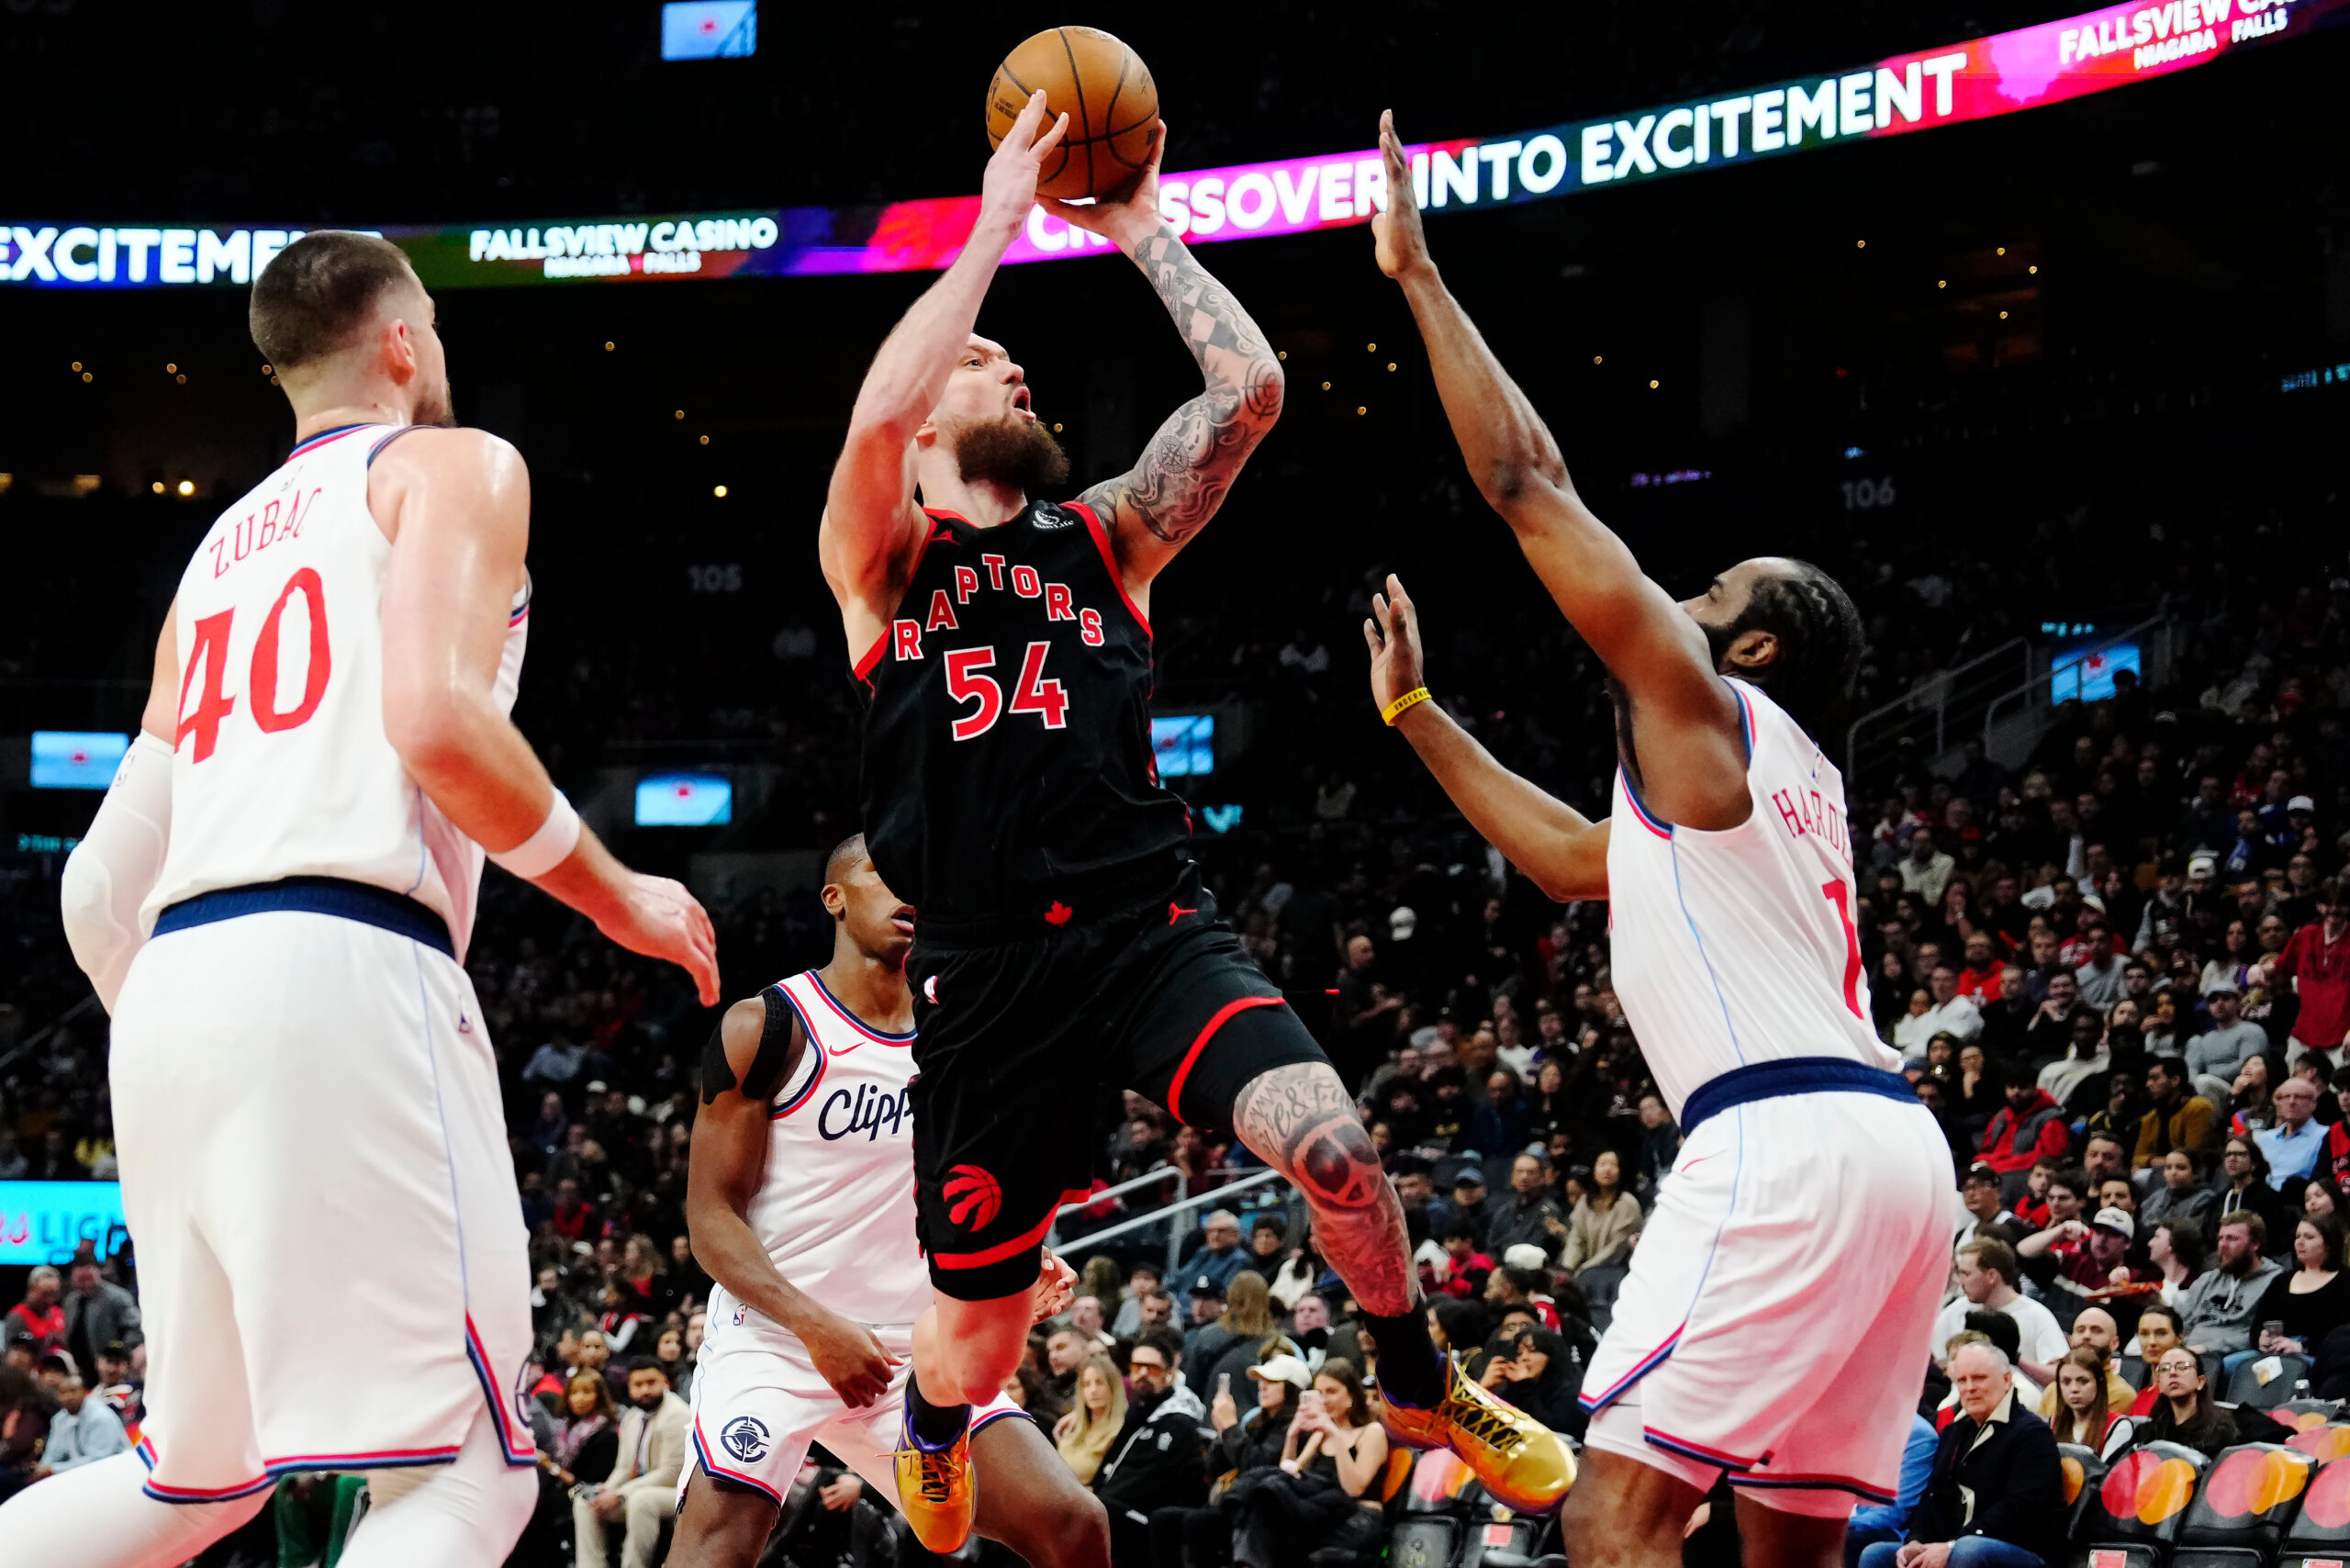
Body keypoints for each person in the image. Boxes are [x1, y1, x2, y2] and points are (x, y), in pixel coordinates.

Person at [821, 95, 1552, 1551]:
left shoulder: (1107, 535)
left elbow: (1251, 394)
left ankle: (1418, 1376)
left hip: (1147, 931)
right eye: (987, 360)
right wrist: (991, 228)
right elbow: (880, 408)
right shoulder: (883, 559)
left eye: (1016, 356)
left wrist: (1138, 226)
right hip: (985, 983)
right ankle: (932, 1419)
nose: (1014, 365)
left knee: (1337, 1150)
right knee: (975, 1336)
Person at [17, 230, 719, 1567]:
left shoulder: (213, 554)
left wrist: (195, 1009)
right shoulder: (454, 465)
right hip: (343, 958)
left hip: (169, 990)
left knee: (194, 1481)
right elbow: (437, 727)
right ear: (401, 338)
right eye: (437, 329)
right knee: (474, 1470)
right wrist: (618, 891)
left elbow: (97, 886)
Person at [1365, 111, 1950, 1562]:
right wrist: (1421, 717)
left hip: (1781, 1140)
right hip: (1893, 1164)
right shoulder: (1778, 780)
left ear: (1748, 645)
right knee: (1793, 1548)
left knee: (1616, 1518)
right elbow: (1578, 865)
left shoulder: (1707, 714)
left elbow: (1528, 489)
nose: (1671, 599)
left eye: (1707, 588)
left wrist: (1420, 278)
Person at [670, 835, 1104, 1568]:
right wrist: (813, 1324)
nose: (910, 890)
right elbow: (710, 1218)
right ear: (834, 898)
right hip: (779, 1337)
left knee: (1074, 1526)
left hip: (918, 1351)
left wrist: (1024, 1254)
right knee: (713, 1552)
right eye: (883, 873)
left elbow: (956, 1188)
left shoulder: (961, 1033)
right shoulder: (768, 1026)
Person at [1861, 1343, 2065, 1568]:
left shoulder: (2032, 1434)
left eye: (1979, 1378)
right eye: (1962, 1380)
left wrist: (1951, 1546)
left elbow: (2019, 1509)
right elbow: (1933, 1497)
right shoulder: (1954, 1432)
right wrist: (1916, 1541)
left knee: (1969, 1551)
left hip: (2023, 1549)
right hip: (1961, 1544)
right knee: (1878, 1554)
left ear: (2007, 1380)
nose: (1970, 1388)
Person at [1224, 1359, 1388, 1568]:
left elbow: (1354, 1489)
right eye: (1319, 1393)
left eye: (1332, 1391)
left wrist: (1335, 1434)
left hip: (1358, 1519)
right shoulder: (1321, 1434)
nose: (1324, 1399)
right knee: (1265, 1502)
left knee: (1270, 1520)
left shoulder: (1371, 1432)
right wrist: (1293, 1434)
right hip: (1324, 1511)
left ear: (1351, 1395)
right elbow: (1289, 1472)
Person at [1093, 1328, 1208, 1566]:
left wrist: (1094, 1500)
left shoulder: (1178, 1423)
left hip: (1151, 1519)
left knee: (1094, 1511)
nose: (1143, 1373)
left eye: (1152, 1369)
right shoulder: (1139, 1411)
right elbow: (1113, 1463)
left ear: (1169, 1374)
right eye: (1137, 1367)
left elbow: (1148, 1481)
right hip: (1119, 1509)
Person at [572, 1360, 688, 1568]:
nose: (645, 1390)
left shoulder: (677, 1414)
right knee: (586, 1501)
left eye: (651, 1383)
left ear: (665, 1383)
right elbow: (624, 1468)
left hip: (676, 1493)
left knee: (641, 1501)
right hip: (637, 1490)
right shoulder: (632, 1417)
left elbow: (671, 1473)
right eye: (638, 1385)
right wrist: (607, 1489)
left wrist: (620, 1494)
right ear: (630, 1388)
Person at [1931, 1240, 2068, 1386]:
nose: (1961, 1282)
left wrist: (2015, 1359)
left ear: (1992, 1276)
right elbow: (1937, 1360)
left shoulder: (2036, 1315)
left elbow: (2060, 1377)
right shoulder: (1957, 1309)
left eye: (1966, 1274)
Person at [2179, 1214, 2283, 1358]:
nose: (2223, 1245)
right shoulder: (2207, 1280)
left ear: (2255, 1244)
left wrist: (2207, 1348)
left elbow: (2261, 1336)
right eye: (2221, 1238)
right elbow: (2185, 1324)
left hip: (2230, 1359)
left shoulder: (2276, 1281)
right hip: (2189, 1354)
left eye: (2232, 1238)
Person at [2250, 1215, 2350, 1358]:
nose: (2300, 1243)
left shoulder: (2344, 1281)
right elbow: (2258, 1323)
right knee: (2231, 1364)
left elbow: (2343, 1332)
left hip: (2321, 1354)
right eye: (2297, 1237)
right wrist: (2260, 1338)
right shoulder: (2282, 1280)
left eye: (2309, 1237)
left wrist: (2302, 1346)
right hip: (2276, 1352)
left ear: (2329, 1243)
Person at [1556, 1150, 1643, 1276]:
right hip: (1586, 1270)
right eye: (1602, 1164)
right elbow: (1576, 1239)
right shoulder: (1585, 1201)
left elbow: (1616, 1248)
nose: (1607, 1169)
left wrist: (1584, 1270)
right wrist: (1567, 1269)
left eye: (1613, 1165)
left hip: (1616, 1271)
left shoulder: (1628, 1203)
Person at [2136, 1348, 2236, 1455]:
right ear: (2159, 1385)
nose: (2172, 1373)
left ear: (2200, 1382)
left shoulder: (2221, 1431)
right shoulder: (2147, 1432)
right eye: (2164, 1369)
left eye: (2182, 1367)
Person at [30, 1372, 129, 1477]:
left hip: (112, 1473)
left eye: (73, 1391)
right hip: (79, 1475)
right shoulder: (59, 1419)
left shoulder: (101, 1417)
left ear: (85, 1392)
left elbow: (98, 1461)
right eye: (62, 1392)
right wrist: (42, 1468)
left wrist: (53, 1469)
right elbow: (53, 1454)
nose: (67, 1397)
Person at [2043, 1349, 2135, 1460]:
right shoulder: (2050, 1425)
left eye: (2083, 1381)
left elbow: (2106, 1474)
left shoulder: (2118, 1426)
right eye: (2066, 1382)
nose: (2074, 1389)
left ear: (2099, 1383)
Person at [1053, 1356, 1127, 1486]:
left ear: (1113, 1387)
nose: (1093, 1390)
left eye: (1099, 1383)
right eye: (1087, 1384)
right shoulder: (1073, 1427)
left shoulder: (1119, 1432)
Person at [2134, 1058, 2221, 1170]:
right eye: (2148, 1079)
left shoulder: (2198, 1107)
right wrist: (2154, 1161)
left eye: (2155, 1078)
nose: (2148, 1084)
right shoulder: (2151, 1118)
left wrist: (2158, 1162)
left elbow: (2193, 1155)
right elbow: (2137, 1158)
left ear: (2175, 1080)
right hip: (2163, 1171)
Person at [2255, 1077, 2327, 1189]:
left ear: (2313, 1103)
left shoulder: (2325, 1136)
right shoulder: (2264, 1139)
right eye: (2286, 1097)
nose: (2291, 1102)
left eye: (2298, 1097)